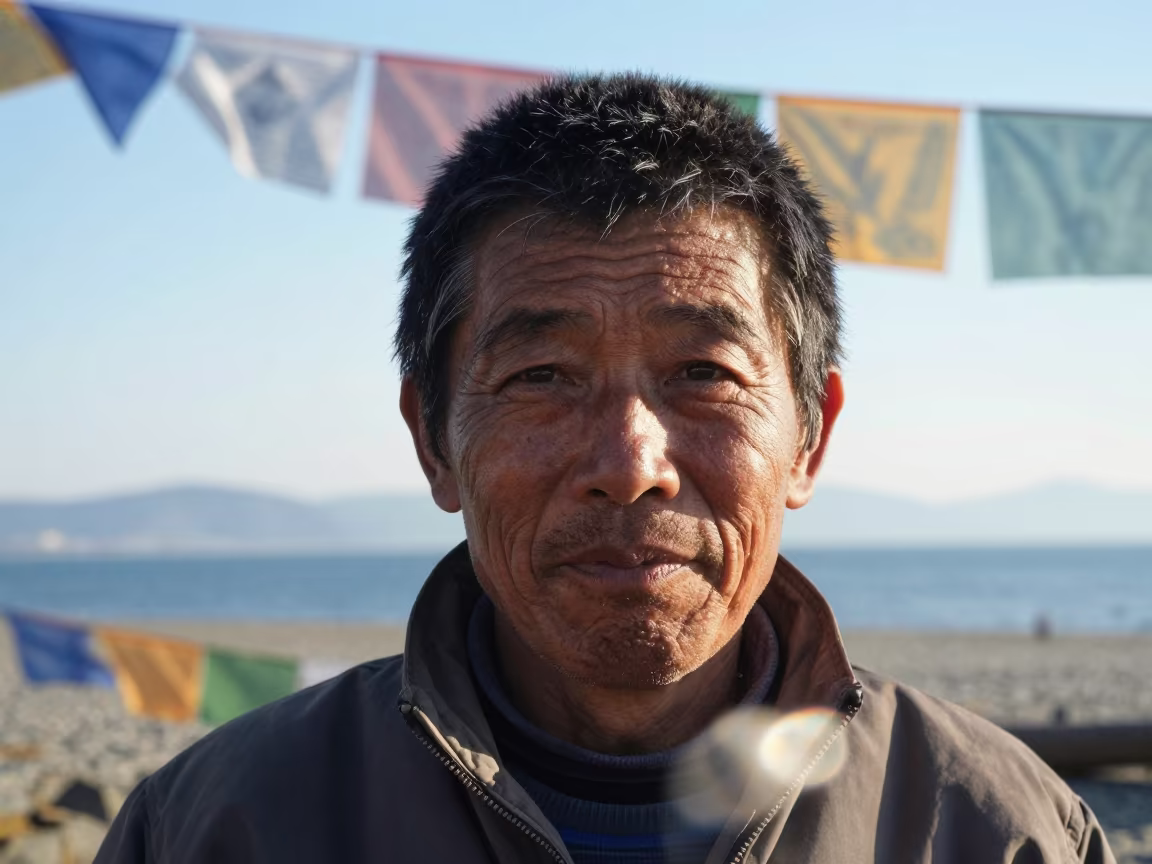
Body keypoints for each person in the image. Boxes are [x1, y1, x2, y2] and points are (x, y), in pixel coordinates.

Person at [95, 74, 1114, 864]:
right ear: (431, 439)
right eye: (541, 376)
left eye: (703, 373)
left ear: (810, 438)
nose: (630, 466)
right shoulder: (220, 827)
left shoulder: (994, 829)